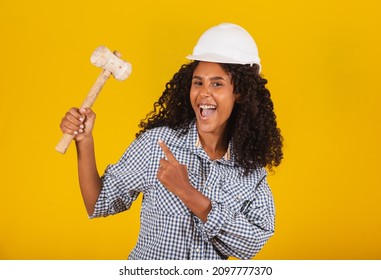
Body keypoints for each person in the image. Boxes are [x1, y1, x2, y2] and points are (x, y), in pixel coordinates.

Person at [59, 23, 283, 260]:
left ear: (239, 92)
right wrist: (84, 141)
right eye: (198, 82)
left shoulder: (250, 171)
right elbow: (97, 203)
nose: (204, 93)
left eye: (217, 83)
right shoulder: (158, 144)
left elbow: (252, 243)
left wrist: (187, 192)